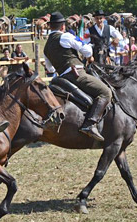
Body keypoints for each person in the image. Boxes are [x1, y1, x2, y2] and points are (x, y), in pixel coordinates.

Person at [44, 11, 112, 142]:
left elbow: (50, 68)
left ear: (50, 26)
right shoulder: (66, 37)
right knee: (105, 92)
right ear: (62, 26)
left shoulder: (46, 46)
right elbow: (87, 50)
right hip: (77, 75)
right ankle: (90, 124)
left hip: (61, 78)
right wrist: (87, 55)